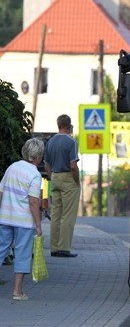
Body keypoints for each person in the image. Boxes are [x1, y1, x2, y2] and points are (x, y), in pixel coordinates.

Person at [0, 138, 45, 300]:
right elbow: (34, 202)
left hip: (5, 218)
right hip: (24, 222)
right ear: (39, 157)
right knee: (22, 254)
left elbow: (1, 192)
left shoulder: (12, 168)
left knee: (0, 250)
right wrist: (38, 225)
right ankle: (17, 291)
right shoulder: (34, 174)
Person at [44, 114, 80, 257]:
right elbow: (73, 166)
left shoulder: (50, 142)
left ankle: (53, 248)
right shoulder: (71, 142)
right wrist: (76, 181)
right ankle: (64, 248)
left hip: (55, 177)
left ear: (58, 125)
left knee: (56, 214)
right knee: (68, 215)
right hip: (68, 178)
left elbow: (46, 164)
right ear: (69, 125)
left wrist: (52, 176)